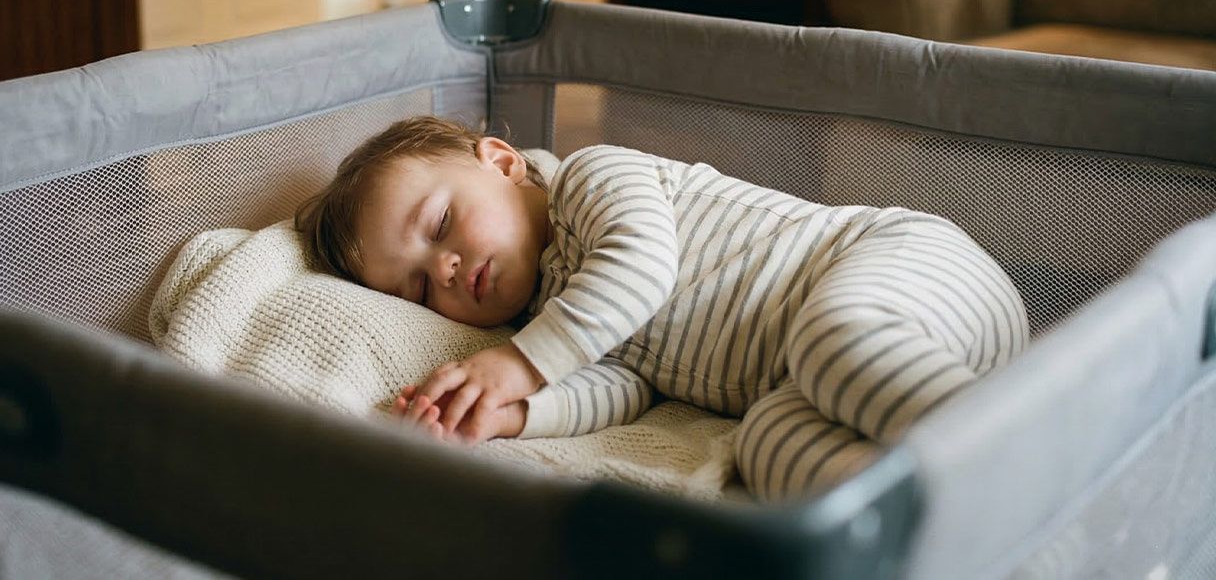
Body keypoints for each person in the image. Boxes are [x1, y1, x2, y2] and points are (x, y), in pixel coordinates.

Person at [296, 115, 1029, 498]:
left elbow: (641, 270)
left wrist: (521, 366)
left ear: (502, 163)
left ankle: (1023, 450)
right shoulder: (552, 324)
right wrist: (511, 414)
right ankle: (926, 518)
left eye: (441, 226)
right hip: (819, 380)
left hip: (903, 267)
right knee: (765, 445)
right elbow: (622, 387)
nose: (448, 271)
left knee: (831, 340)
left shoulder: (592, 179)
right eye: (421, 289)